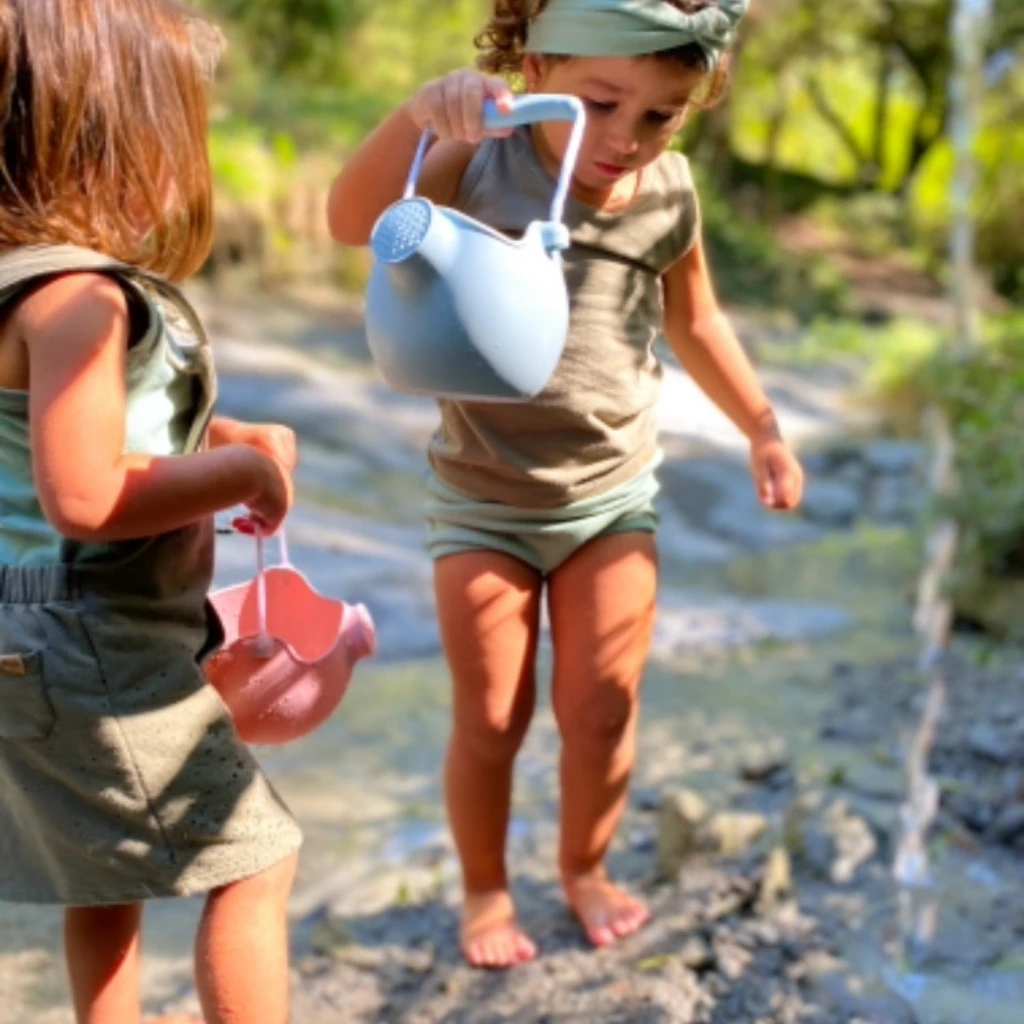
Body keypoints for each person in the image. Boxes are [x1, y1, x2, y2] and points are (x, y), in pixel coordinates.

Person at [327, 0, 804, 970]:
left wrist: (761, 426)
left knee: (602, 705)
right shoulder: (479, 158)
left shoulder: (669, 194)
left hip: (611, 497)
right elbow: (349, 220)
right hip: (482, 500)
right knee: (493, 714)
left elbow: (697, 323)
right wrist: (421, 117)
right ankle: (485, 888)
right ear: (539, 65)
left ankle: (583, 868)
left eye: (661, 115)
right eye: (601, 101)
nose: (626, 137)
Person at [0, 2, 303, 1021]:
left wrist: (217, 443)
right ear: (116, 138)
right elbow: (84, 495)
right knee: (255, 860)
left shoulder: (17, 288)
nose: (188, 165)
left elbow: (65, 444)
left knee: (105, 869)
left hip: (28, 632)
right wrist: (244, 483)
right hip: (92, 638)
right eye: (182, 134)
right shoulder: (83, 298)